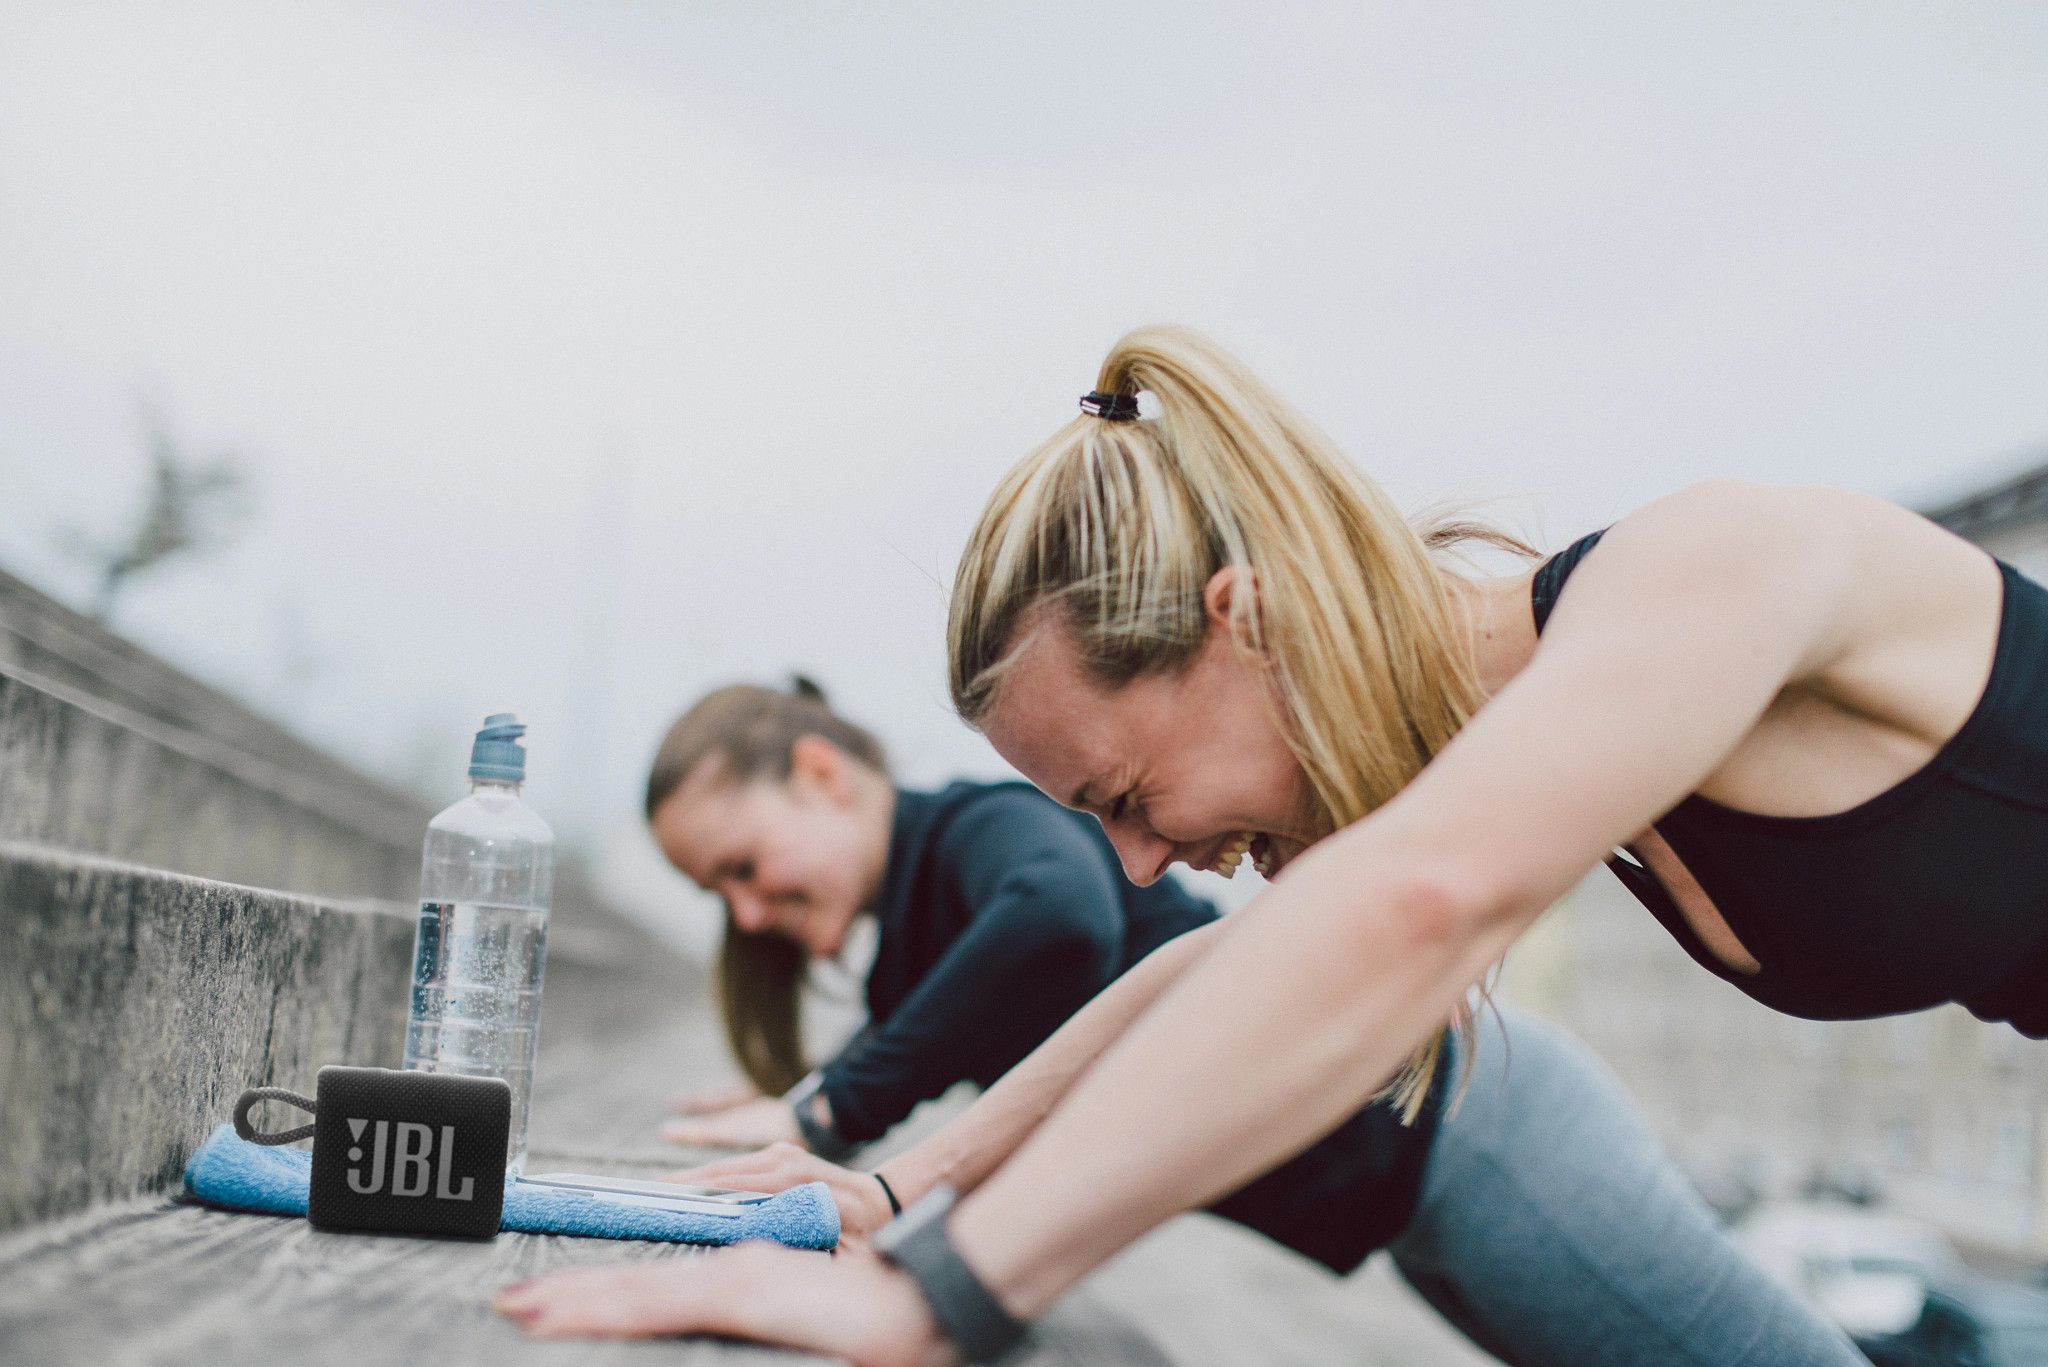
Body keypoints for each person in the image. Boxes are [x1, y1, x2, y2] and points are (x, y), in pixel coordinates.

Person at [499, 323, 2044, 1362]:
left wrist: (940, 1304)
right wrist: (902, 1195)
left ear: (1242, 626)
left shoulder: (1715, 568)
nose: (1138, 866)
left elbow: (1413, 906)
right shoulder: (1517, 734)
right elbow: (1225, 976)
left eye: (1119, 797)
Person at [503, 677, 1862, 1364]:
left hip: (1482, 1142)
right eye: (713, 894)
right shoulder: (919, 941)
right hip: (1415, 1216)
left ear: (820, 775)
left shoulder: (977, 836)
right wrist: (861, 1178)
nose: (743, 912)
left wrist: (833, 1112)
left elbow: (1064, 925)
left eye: (744, 865)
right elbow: (1100, 1057)